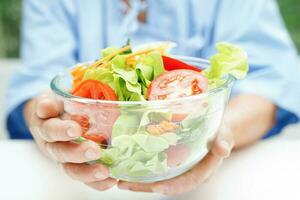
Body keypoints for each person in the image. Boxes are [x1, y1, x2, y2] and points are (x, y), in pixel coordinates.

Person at [6, 0, 300, 195]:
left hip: (223, 185)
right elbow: (38, 85)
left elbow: (274, 81)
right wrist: (46, 121)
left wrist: (216, 130)